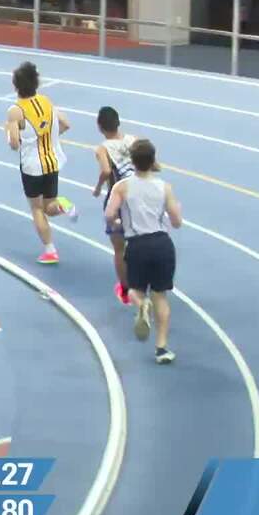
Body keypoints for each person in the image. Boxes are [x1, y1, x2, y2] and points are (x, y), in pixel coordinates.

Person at [103, 139, 183, 364]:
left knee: (135, 291)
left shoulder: (122, 186)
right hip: (162, 244)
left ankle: (142, 305)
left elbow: (109, 215)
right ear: (153, 160)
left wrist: (118, 223)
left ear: (132, 161)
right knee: (161, 296)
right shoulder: (165, 187)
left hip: (138, 244)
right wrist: (176, 211)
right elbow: (176, 222)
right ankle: (161, 348)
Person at [6, 62, 77, 264]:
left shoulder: (15, 111)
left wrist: (10, 133)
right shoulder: (46, 102)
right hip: (52, 162)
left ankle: (50, 250)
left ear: (16, 86)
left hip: (32, 166)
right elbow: (66, 124)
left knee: (37, 209)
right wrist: (50, 138)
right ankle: (62, 205)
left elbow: (13, 144)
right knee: (49, 206)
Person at [91, 106, 137, 305]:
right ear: (119, 122)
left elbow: (106, 171)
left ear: (100, 127)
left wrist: (98, 188)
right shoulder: (134, 141)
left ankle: (126, 290)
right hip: (138, 197)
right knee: (138, 241)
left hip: (117, 199)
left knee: (119, 248)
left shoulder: (103, 149)